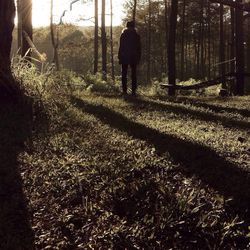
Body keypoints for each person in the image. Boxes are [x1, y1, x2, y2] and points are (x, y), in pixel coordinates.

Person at [118, 21, 141, 96]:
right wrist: (139, 57)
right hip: (134, 56)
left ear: (126, 26)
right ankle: (133, 91)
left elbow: (121, 47)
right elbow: (139, 48)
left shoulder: (123, 34)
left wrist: (119, 56)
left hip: (125, 56)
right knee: (133, 74)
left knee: (124, 74)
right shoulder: (136, 35)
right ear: (134, 27)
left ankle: (124, 91)